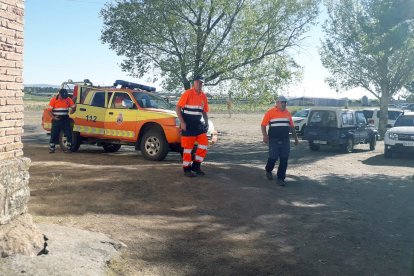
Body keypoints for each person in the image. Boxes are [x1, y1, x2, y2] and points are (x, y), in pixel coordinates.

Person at [261, 95, 299, 186]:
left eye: (285, 102)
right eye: (282, 102)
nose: (284, 104)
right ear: (277, 103)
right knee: (273, 157)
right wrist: (265, 136)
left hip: (285, 140)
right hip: (273, 140)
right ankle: (268, 170)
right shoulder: (270, 112)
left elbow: (291, 127)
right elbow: (263, 125)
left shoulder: (288, 113)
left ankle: (281, 178)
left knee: (284, 159)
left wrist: (296, 138)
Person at [176, 75, 209, 177]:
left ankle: (196, 166)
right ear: (194, 83)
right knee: (188, 148)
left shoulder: (203, 96)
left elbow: (204, 112)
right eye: (198, 82)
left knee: (204, 143)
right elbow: (177, 108)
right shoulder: (188, 93)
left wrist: (207, 123)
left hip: (198, 125)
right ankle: (187, 169)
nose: (200, 84)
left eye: (201, 82)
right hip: (188, 124)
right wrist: (182, 122)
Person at [47, 89, 76, 153]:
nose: (63, 98)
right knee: (54, 134)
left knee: (68, 134)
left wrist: (72, 111)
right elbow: (49, 111)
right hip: (56, 119)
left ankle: (69, 148)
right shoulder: (53, 100)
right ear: (59, 94)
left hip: (65, 119)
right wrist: (54, 117)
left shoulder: (68, 99)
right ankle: (52, 148)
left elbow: (73, 107)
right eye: (62, 96)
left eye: (64, 97)